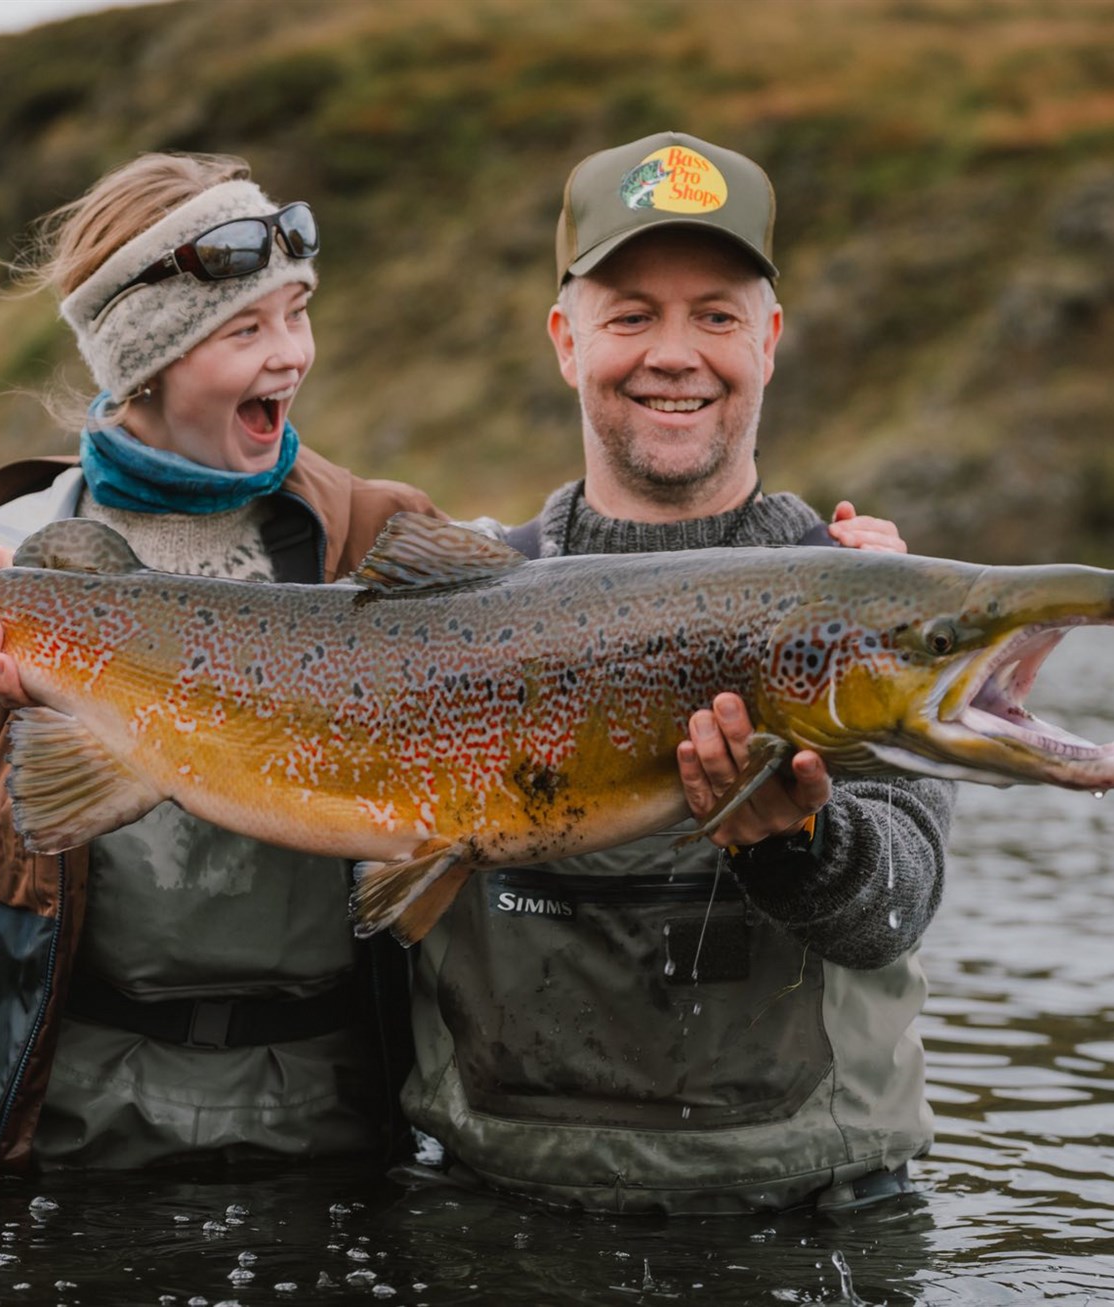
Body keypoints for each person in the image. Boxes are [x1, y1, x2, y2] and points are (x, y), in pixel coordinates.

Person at [0, 152, 435, 1190]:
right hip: (62, 1119)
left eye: (298, 313)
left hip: (329, 1124)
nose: (292, 355)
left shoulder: (380, 535)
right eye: (246, 329)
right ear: (145, 355)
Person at [396, 132, 956, 1214]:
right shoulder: (453, 598)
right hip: (498, 1220)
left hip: (802, 1225)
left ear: (768, 340)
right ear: (566, 340)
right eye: (629, 314)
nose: (673, 352)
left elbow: (898, 900)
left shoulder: (860, 598)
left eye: (713, 313)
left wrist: (798, 843)